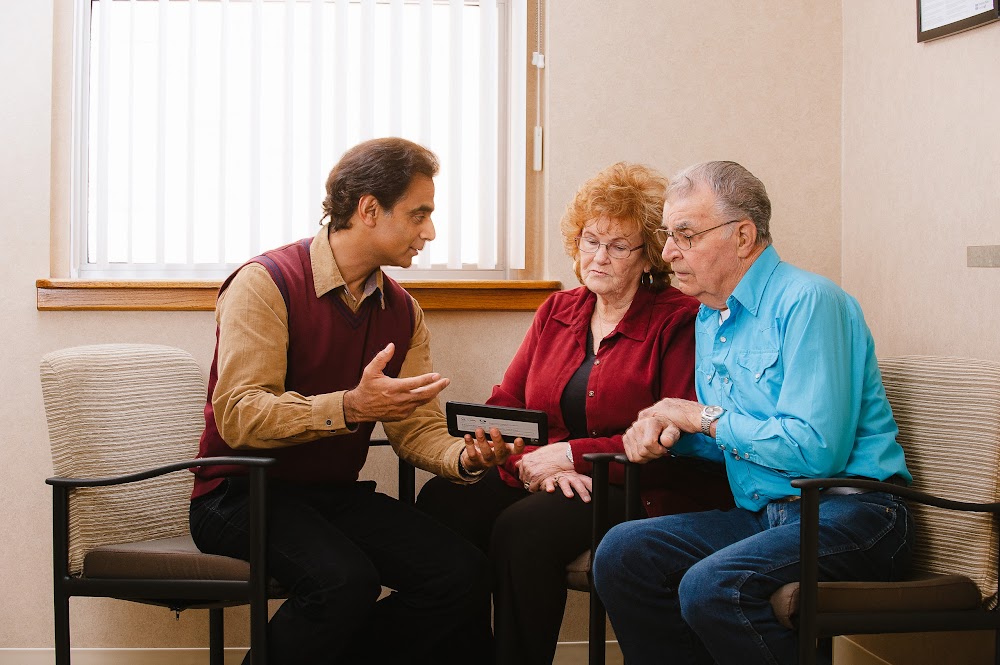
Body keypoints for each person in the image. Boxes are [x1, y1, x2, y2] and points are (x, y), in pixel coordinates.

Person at [189, 137, 519, 665]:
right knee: (344, 581)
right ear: (369, 209)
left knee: (462, 575)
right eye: (419, 214)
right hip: (239, 495)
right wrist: (350, 407)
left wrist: (465, 457)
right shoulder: (265, 283)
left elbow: (417, 430)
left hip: (330, 496)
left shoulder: (403, 311)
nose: (430, 232)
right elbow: (240, 414)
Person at [591, 160, 914, 665]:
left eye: (685, 234)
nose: (668, 251)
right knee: (622, 553)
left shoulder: (810, 302)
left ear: (742, 236)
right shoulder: (709, 317)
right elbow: (738, 439)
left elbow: (815, 453)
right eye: (667, 234)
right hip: (766, 516)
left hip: (853, 515)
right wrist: (672, 435)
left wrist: (699, 416)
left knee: (712, 585)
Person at [415, 162, 733, 665]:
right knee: (442, 501)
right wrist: (531, 462)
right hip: (548, 472)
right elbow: (506, 403)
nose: (599, 257)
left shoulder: (678, 319)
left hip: (635, 484)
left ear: (648, 255)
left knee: (523, 530)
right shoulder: (557, 310)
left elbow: (669, 436)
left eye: (618, 246)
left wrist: (570, 456)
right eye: (591, 241)